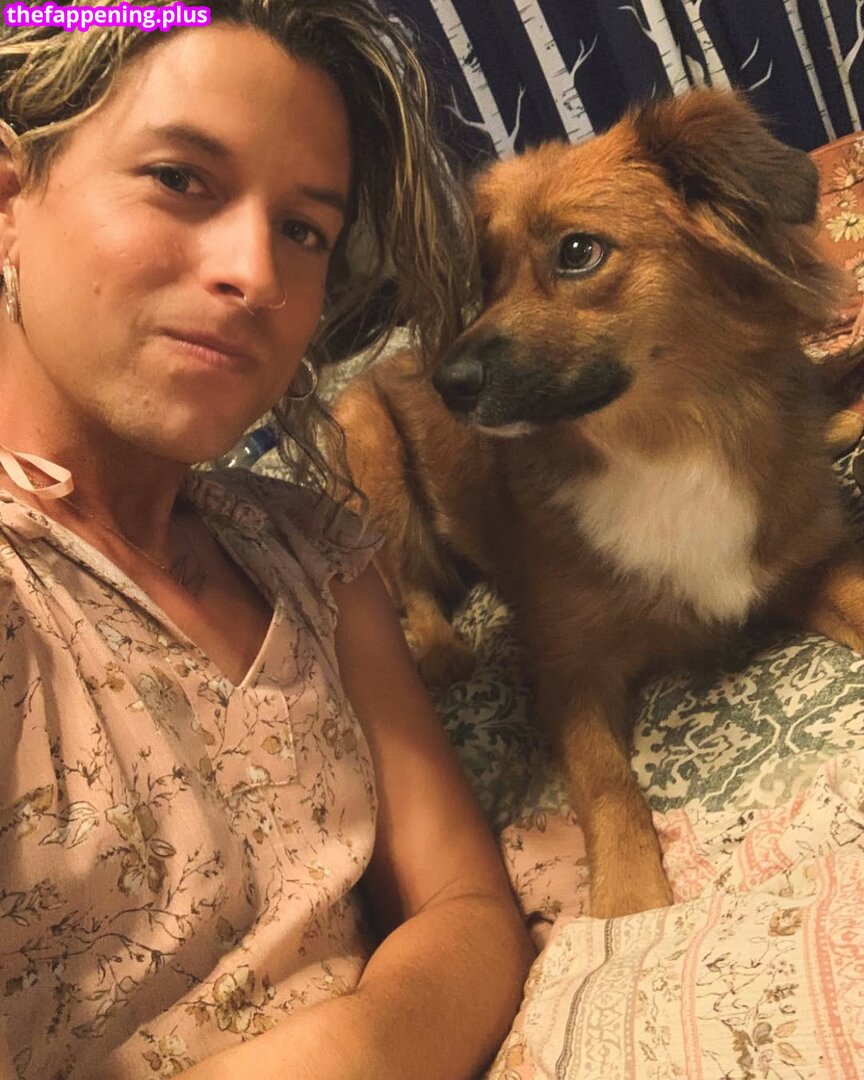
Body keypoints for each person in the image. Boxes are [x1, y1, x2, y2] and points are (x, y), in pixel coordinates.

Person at [0, 3, 534, 1077]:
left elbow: (469, 905)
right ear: (10, 201)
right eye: (180, 178)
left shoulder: (306, 555)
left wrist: (361, 1045)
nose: (256, 273)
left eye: (304, 230)